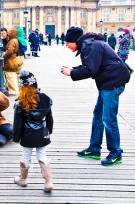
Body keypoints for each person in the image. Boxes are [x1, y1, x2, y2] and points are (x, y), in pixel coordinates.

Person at [61, 26, 130, 166]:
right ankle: (94, 149)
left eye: (67, 42)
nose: (66, 45)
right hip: (109, 81)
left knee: (108, 119)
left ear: (75, 41)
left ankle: (115, 153)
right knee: (98, 116)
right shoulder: (90, 44)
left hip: (113, 82)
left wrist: (72, 73)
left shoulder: (90, 46)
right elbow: (93, 65)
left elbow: (91, 70)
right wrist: (74, 69)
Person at [13, 70, 54, 192]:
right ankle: (48, 182)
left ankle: (23, 179)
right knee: (42, 155)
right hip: (42, 132)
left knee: (26, 155)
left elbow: (18, 124)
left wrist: (16, 137)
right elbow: (49, 117)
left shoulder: (21, 103)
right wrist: (49, 131)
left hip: (27, 134)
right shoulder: (45, 98)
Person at [3, 27, 23, 96]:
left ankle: (13, 91)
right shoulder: (15, 40)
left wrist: (3, 56)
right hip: (14, 59)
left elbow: (10, 51)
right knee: (14, 75)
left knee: (10, 76)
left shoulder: (12, 41)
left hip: (10, 60)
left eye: (9, 32)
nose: (8, 33)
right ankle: (15, 90)